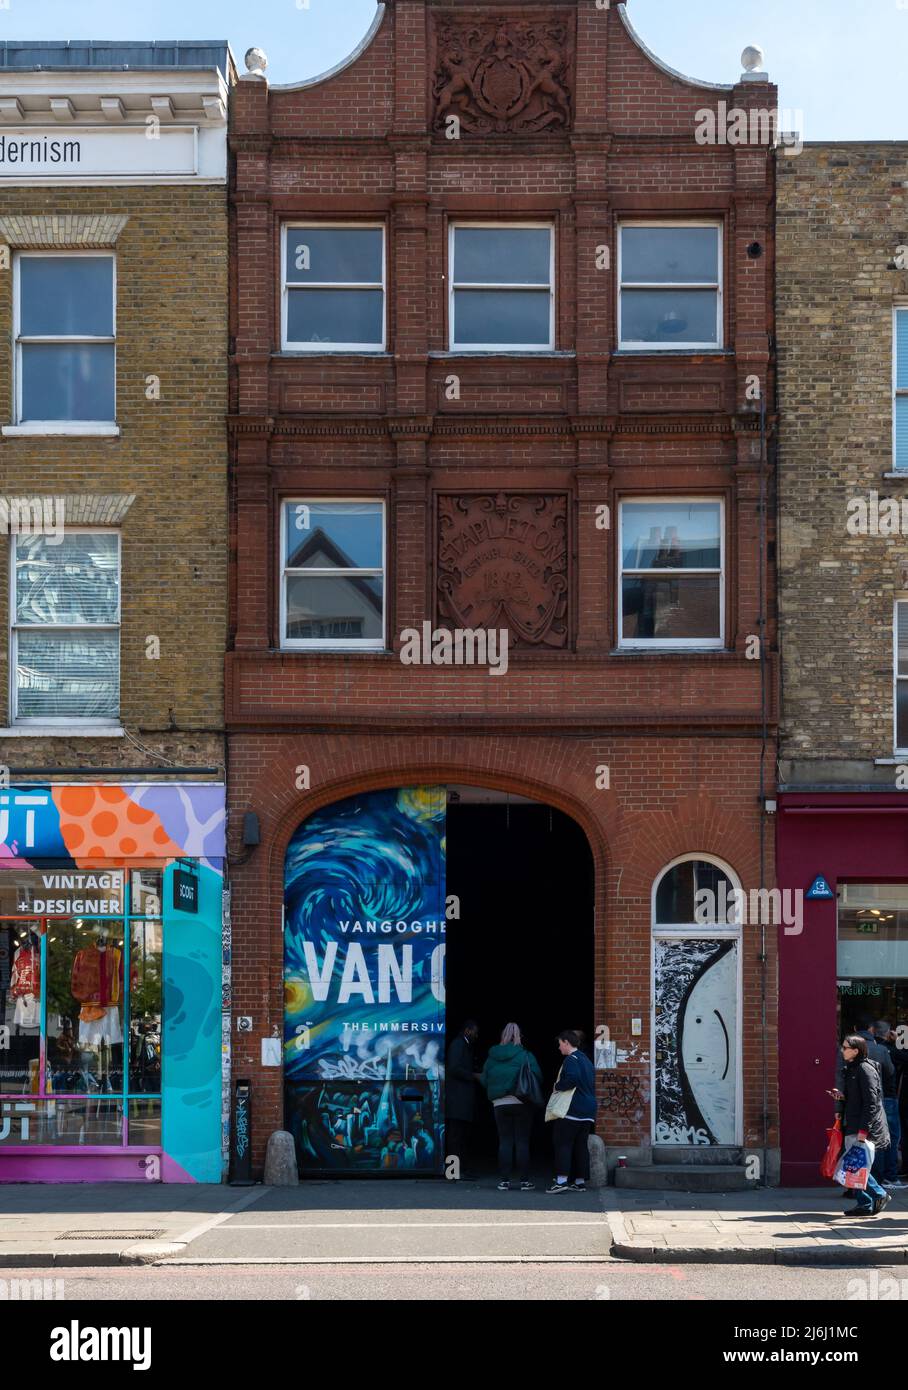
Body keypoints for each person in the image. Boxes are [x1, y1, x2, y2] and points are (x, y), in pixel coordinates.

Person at [480, 1022, 544, 1192]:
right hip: (521, 1103)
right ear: (519, 1036)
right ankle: (524, 1182)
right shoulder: (525, 1055)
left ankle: (504, 1181)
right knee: (522, 1141)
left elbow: (484, 1079)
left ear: (503, 1036)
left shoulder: (491, 1057)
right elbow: (538, 1076)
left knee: (505, 1141)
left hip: (499, 1104)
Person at [836, 1035, 891, 1218]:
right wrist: (842, 1098)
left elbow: (871, 1103)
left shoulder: (864, 1069)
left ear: (856, 1050)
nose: (842, 1050)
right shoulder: (852, 1069)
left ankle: (879, 1194)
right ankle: (864, 1203)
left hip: (863, 1126)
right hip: (852, 1122)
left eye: (845, 1047)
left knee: (856, 1166)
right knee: (854, 1165)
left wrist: (863, 1131)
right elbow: (857, 1097)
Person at [548, 1029, 598, 1194]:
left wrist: (557, 1086)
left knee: (563, 1143)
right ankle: (580, 1181)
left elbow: (572, 1079)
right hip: (588, 1110)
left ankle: (561, 1181)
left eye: (560, 1044)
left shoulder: (571, 1059)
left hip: (573, 1109)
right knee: (580, 1146)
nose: (559, 1047)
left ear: (567, 1043)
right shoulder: (587, 1060)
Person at [445, 1019, 480, 1180]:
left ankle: (460, 1169)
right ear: (467, 1030)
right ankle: (454, 1171)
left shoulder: (463, 1044)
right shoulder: (459, 1044)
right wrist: (473, 1075)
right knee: (456, 1136)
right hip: (457, 1099)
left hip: (461, 1099)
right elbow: (454, 1068)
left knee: (461, 1135)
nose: (476, 1035)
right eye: (475, 1031)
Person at [875, 1021, 906, 1188]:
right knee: (892, 1137)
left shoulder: (871, 1048)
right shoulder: (891, 1050)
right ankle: (890, 1176)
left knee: (876, 1137)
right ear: (888, 1034)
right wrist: (898, 1042)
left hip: (874, 1098)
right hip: (889, 1097)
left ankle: (877, 1175)